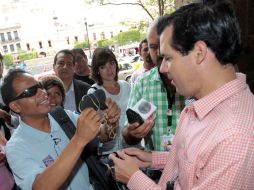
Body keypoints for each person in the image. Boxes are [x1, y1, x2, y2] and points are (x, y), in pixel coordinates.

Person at [109, 1, 254, 189]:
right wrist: (153, 159)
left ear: (199, 53)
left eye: (168, 58)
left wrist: (133, 178)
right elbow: (197, 161)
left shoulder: (235, 138)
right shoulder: (201, 102)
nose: (162, 67)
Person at [1, 69, 119, 189]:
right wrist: (78, 140)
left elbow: (103, 136)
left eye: (40, 86)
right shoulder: (16, 147)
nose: (42, 93)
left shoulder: (63, 116)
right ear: (15, 106)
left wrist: (111, 122)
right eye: (30, 91)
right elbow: (41, 187)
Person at [123, 17, 185, 152]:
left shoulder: (192, 82)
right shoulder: (143, 83)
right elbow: (127, 135)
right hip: (156, 168)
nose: (159, 52)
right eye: (153, 47)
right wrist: (133, 132)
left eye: (163, 45)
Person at [88, 47, 132, 155]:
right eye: (103, 66)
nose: (109, 69)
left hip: (132, 147)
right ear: (97, 70)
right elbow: (96, 128)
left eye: (111, 63)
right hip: (110, 153)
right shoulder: (94, 92)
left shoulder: (126, 86)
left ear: (116, 65)